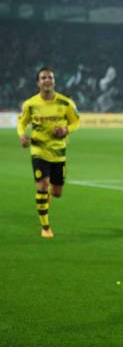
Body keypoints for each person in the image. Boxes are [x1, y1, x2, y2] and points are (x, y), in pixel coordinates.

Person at [17, 67, 80, 238]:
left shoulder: (65, 103)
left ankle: (48, 194)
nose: (47, 80)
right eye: (43, 77)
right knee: (42, 187)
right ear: (38, 82)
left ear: (54, 81)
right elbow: (21, 123)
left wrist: (66, 129)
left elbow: (76, 122)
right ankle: (45, 227)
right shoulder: (30, 104)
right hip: (39, 149)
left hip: (58, 151)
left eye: (50, 77)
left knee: (57, 193)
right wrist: (22, 135)